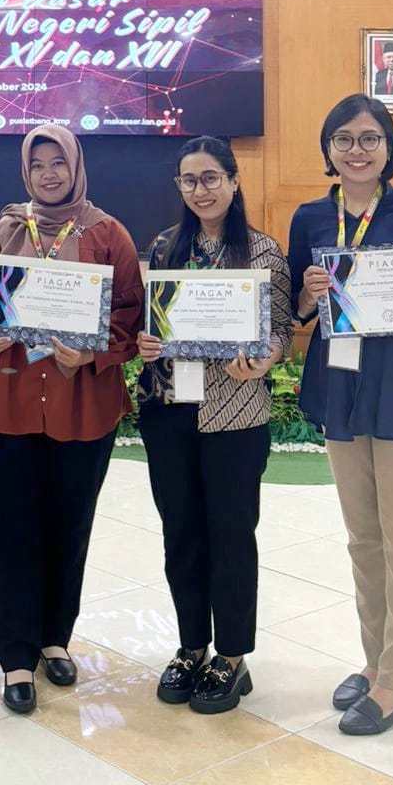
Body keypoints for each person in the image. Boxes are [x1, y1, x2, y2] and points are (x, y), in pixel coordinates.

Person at [288, 94, 393, 736]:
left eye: (369, 138)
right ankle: (375, 662)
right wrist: (308, 296)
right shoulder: (310, 217)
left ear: (389, 146)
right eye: (343, 139)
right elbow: (299, 313)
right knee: (363, 538)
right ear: (328, 149)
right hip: (342, 388)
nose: (356, 151)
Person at [0, 125, 143, 715]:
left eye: (58, 163)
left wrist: (93, 353)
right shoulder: (6, 230)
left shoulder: (108, 233)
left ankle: (54, 638)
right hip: (12, 402)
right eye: (38, 164)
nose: (48, 174)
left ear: (76, 166)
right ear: (26, 172)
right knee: (15, 530)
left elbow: (131, 316)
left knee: (70, 527)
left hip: (84, 405)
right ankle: (17, 656)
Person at [137, 136, 293, 714]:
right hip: (170, 410)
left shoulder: (263, 252)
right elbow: (151, 325)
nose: (200, 190)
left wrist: (266, 357)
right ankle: (191, 646)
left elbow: (281, 329)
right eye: (189, 180)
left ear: (233, 180)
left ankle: (231, 655)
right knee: (180, 533)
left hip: (236, 413)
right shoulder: (164, 246)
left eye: (210, 178)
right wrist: (146, 343)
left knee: (230, 534)